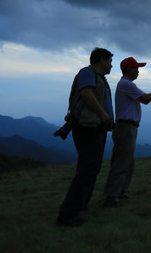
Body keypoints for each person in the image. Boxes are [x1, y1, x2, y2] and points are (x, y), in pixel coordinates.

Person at [57, 47, 114, 226]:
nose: (111, 65)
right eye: (110, 61)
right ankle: (68, 215)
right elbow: (86, 94)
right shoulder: (87, 72)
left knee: (92, 168)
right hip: (87, 127)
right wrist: (103, 114)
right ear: (101, 60)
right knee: (87, 169)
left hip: (97, 128)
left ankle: (81, 205)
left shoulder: (100, 79)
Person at [103, 57, 151, 207]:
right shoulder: (126, 84)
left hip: (127, 128)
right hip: (126, 128)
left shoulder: (126, 84)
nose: (138, 71)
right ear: (129, 70)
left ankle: (120, 192)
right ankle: (111, 197)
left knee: (127, 162)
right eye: (136, 68)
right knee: (121, 163)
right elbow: (146, 99)